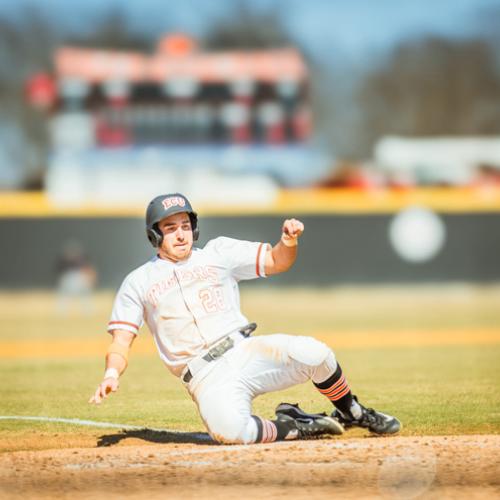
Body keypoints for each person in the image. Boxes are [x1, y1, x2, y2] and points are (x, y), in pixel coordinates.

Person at [89, 193, 401, 444]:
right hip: (204, 376)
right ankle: (294, 426)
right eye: (170, 228)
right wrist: (112, 374)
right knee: (231, 431)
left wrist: (288, 241)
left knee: (315, 353)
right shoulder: (138, 281)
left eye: (185, 225)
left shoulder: (218, 253)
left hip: (244, 352)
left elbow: (277, 261)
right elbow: (121, 341)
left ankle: (352, 411)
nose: (181, 234)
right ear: (154, 234)